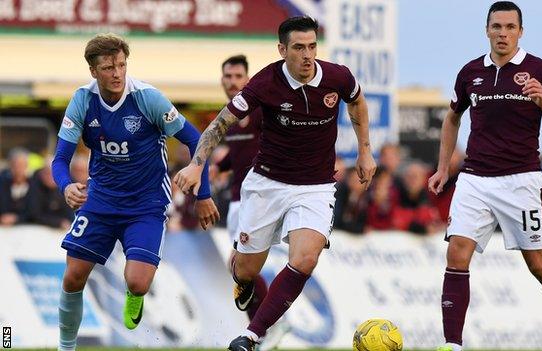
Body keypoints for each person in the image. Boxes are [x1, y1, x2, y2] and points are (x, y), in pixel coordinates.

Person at [174, 16, 376, 351]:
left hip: (316, 186)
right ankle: (245, 282)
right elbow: (220, 124)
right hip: (267, 185)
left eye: (312, 46)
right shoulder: (265, 82)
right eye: (298, 48)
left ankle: (252, 336)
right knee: (244, 270)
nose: (307, 55)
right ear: (282, 50)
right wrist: (197, 166)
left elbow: (357, 101)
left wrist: (365, 152)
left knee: (305, 259)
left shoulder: (337, 76)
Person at [427, 2, 542, 351]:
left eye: (510, 27)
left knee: (539, 265)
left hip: (521, 181)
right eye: (497, 27)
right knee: (457, 252)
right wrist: (444, 167)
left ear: (520, 31)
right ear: (487, 30)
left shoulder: (538, 69)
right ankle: (451, 345)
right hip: (474, 179)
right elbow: (452, 117)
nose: (503, 33)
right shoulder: (471, 72)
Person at [51, 33, 218, 351]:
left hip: (146, 203)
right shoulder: (82, 101)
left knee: (137, 282)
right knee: (73, 277)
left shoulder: (147, 98)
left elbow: (196, 139)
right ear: (93, 71)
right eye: (108, 68)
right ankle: (65, 347)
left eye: (121, 65)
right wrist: (66, 185)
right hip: (99, 199)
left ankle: (135, 295)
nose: (116, 74)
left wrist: (203, 193)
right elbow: (60, 160)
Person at [213, 54, 289, 349]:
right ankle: (258, 333)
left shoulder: (260, 112)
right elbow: (237, 153)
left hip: (260, 199)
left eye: (237, 77)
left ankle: (272, 325)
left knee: (242, 266)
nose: (232, 83)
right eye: (228, 77)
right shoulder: (230, 116)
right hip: (236, 200)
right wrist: (218, 168)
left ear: (247, 80)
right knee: (240, 269)